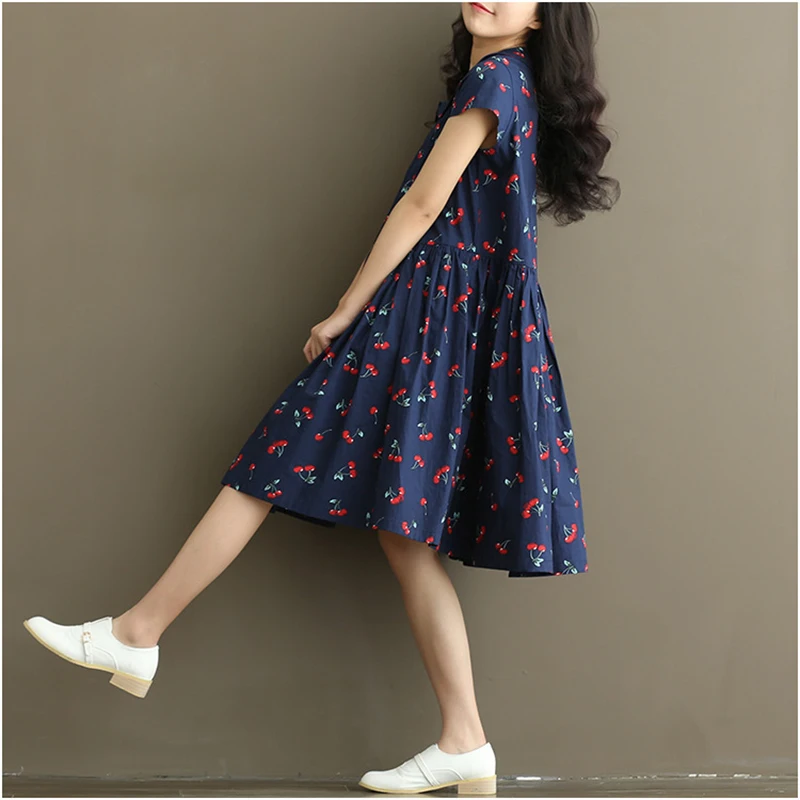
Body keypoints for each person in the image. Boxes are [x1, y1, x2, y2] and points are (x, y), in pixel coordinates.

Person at [23, 2, 620, 795]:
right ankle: (465, 740)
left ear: (544, 18)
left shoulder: (493, 83)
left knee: (275, 461)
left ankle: (138, 632)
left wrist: (345, 311)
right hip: (449, 324)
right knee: (401, 535)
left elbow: (422, 207)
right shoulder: (511, 84)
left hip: (425, 317)